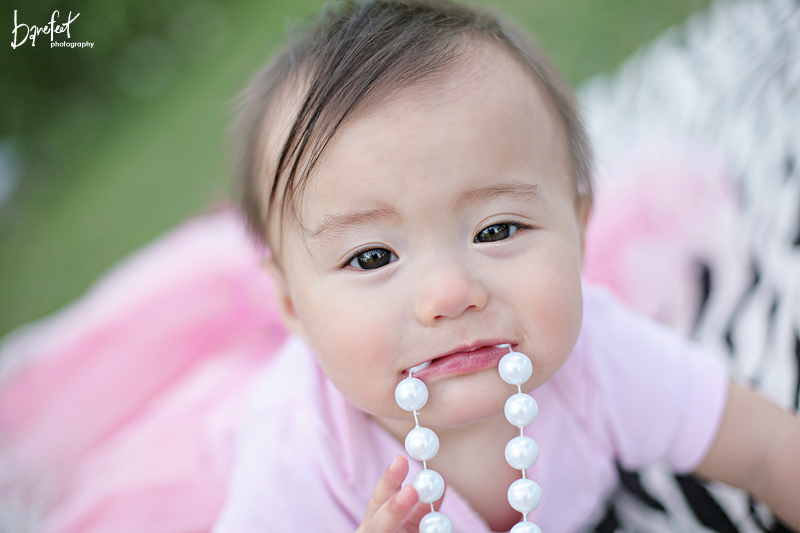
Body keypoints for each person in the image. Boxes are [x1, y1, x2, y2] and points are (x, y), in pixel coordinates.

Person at [214, 1, 800, 531]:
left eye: (496, 230)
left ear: (579, 224)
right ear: (291, 304)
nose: (448, 293)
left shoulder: (597, 358)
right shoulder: (298, 456)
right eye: (372, 257)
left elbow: (768, 446)